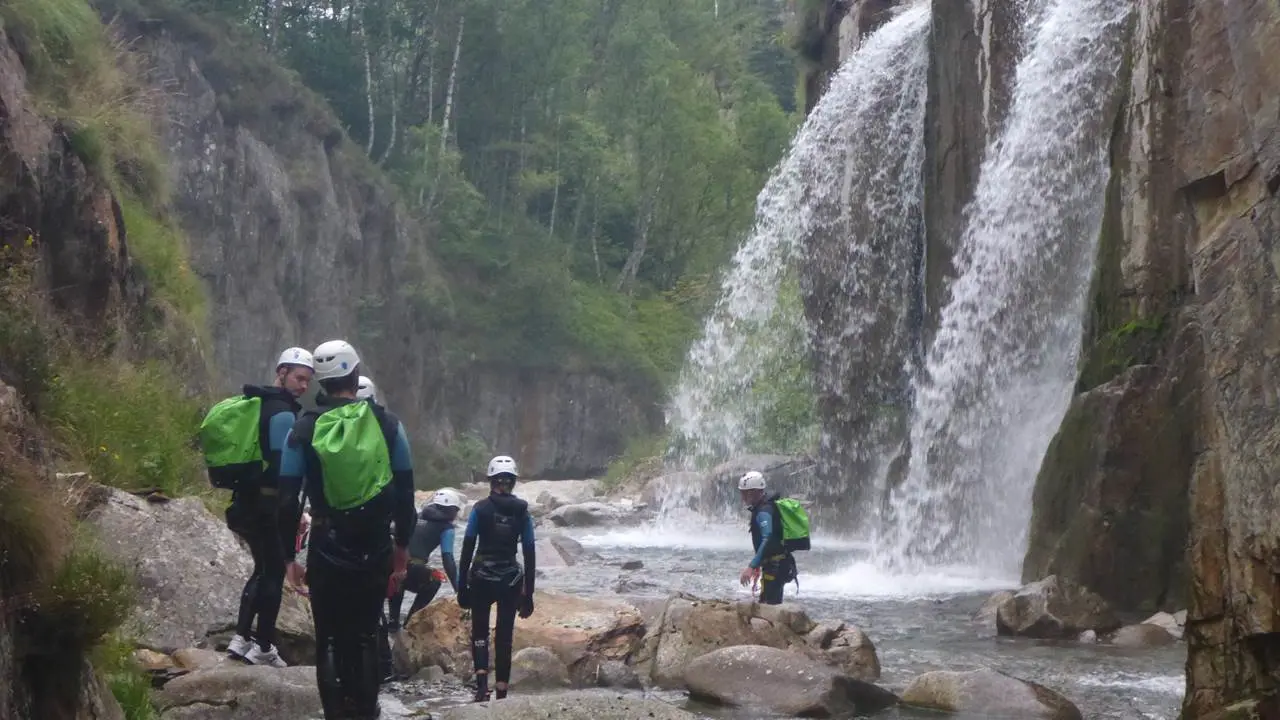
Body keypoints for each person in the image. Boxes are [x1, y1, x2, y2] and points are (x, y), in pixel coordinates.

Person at [277, 340, 416, 719]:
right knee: (366, 635)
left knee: (329, 639)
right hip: (374, 548)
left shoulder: (302, 430)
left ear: (320, 382)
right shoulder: (389, 426)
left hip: (326, 546)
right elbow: (405, 495)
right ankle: (367, 712)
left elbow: (288, 501)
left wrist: (289, 557)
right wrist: (400, 550)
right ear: (356, 375)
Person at [224, 347, 314, 667]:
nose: (303, 385)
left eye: (308, 380)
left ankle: (241, 638)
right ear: (282, 372)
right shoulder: (283, 412)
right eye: (298, 377)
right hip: (269, 504)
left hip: (247, 500)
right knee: (274, 571)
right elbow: (281, 467)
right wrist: (295, 509)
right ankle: (262, 646)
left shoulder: (258, 403)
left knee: (261, 569)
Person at [457, 456, 536, 702]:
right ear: (513, 482)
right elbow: (530, 552)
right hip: (510, 580)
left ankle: (482, 687)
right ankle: (501, 691)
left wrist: (462, 586)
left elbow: (467, 548)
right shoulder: (523, 511)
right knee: (504, 636)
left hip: (481, 577)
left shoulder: (480, 509)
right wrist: (528, 594)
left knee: (480, 631)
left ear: (491, 481)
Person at [391, 488, 462, 628]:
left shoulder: (416, 516)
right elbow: (448, 559)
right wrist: (458, 591)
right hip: (410, 569)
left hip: (390, 565)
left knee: (399, 576)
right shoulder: (446, 528)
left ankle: (393, 622)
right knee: (435, 580)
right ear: (451, 510)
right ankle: (410, 622)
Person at [737, 470, 797, 605]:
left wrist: (752, 566)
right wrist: (759, 564)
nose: (743, 497)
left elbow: (767, 537)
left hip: (776, 565)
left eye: (744, 493)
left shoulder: (764, 511)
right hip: (777, 563)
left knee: (768, 605)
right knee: (769, 603)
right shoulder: (764, 506)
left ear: (754, 492)